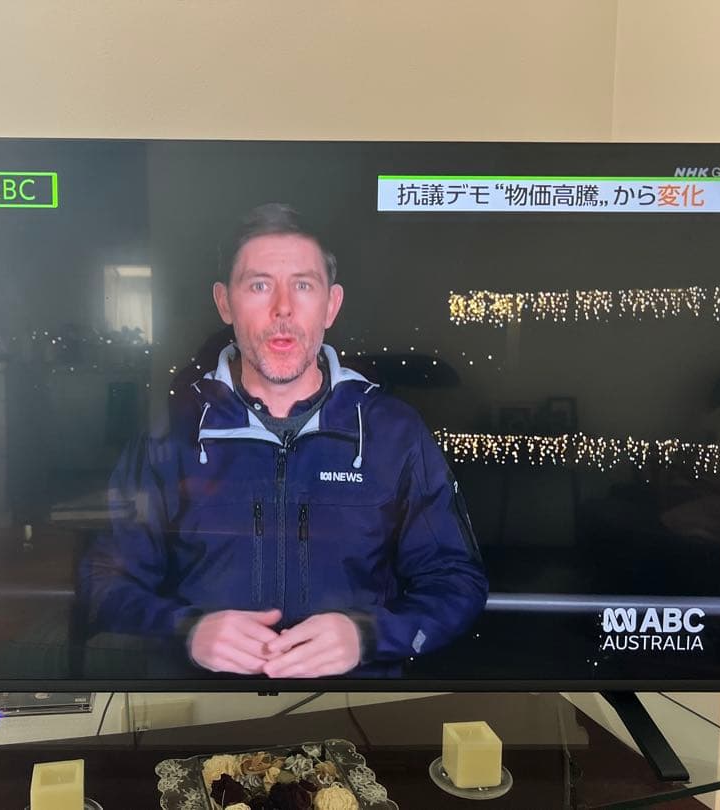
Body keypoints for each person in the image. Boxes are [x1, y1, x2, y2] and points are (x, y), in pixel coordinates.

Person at [83, 204, 487, 678]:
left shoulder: (393, 432)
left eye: (303, 285)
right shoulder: (170, 435)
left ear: (331, 304)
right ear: (225, 303)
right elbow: (103, 582)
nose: (283, 308)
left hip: (355, 703)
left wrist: (368, 636)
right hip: (202, 704)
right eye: (259, 285)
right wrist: (186, 631)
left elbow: (456, 581)